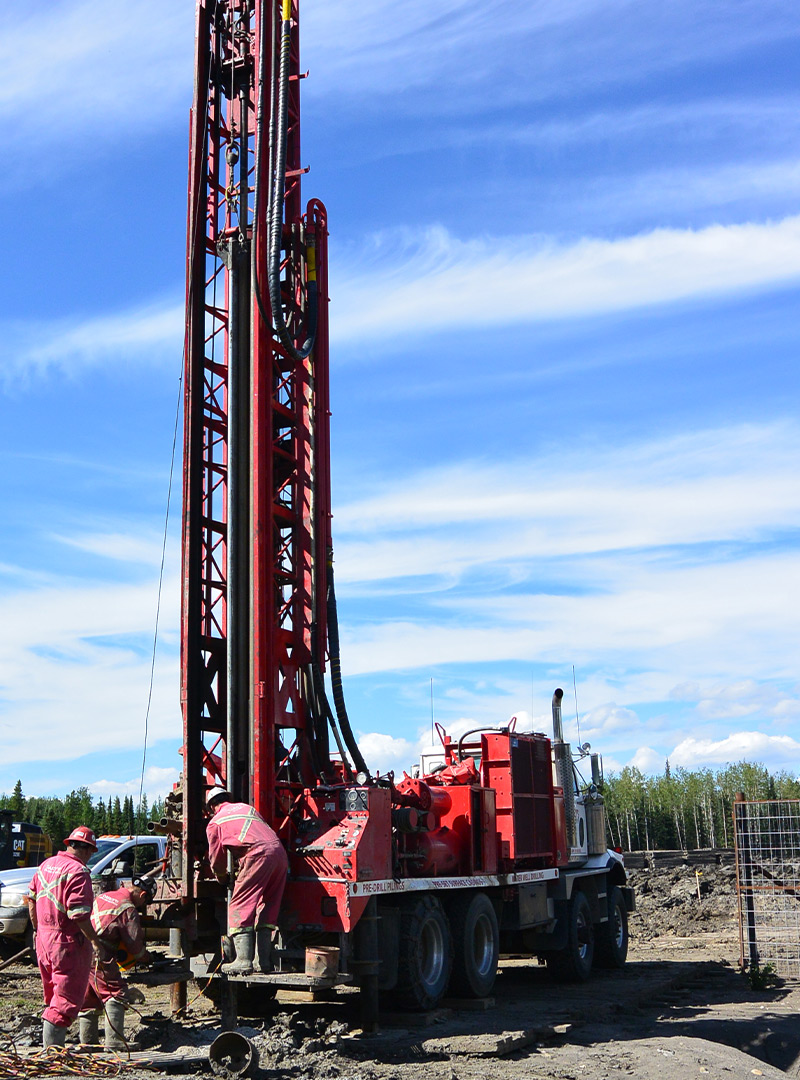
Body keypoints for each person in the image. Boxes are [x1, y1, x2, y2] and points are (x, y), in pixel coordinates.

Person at [26, 826, 104, 1048]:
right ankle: (53, 1054)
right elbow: (79, 914)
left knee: (53, 994)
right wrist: (95, 941)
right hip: (67, 943)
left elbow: (31, 900)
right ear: (88, 850)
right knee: (65, 1001)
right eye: (91, 852)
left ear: (69, 844)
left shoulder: (45, 866)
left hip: (43, 939)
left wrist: (36, 930)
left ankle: (51, 1050)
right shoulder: (78, 872)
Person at [205, 787, 288, 975]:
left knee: (239, 905)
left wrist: (221, 877)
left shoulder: (215, 822)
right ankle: (264, 961)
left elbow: (216, 858)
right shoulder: (246, 808)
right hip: (279, 854)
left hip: (257, 855)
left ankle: (243, 960)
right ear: (229, 798)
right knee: (267, 906)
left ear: (211, 806)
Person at [77, 877, 155, 1050]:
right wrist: (147, 958)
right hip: (100, 953)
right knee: (116, 992)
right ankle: (114, 1040)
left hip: (81, 950)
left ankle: (88, 1041)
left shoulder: (104, 896)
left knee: (89, 995)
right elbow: (135, 947)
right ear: (142, 895)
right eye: (145, 902)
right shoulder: (128, 909)